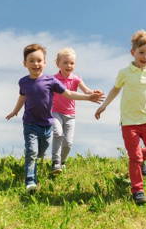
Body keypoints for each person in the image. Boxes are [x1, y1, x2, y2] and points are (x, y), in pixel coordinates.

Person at [6, 44, 104, 193]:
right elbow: (22, 97)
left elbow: (69, 94)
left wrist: (88, 97)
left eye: (39, 60)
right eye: (31, 61)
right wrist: (15, 111)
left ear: (45, 63)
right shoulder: (23, 82)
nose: (36, 64)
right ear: (25, 63)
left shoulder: (51, 81)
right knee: (31, 152)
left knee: (41, 151)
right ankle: (30, 181)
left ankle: (41, 158)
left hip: (46, 124)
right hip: (30, 123)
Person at [95, 30, 146, 205]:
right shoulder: (125, 72)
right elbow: (115, 89)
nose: (145, 57)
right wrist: (104, 105)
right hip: (129, 123)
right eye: (142, 53)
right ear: (133, 53)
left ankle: (139, 158)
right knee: (134, 157)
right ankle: (137, 190)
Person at [51, 47, 102, 174]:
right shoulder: (53, 79)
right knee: (58, 133)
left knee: (68, 142)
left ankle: (62, 162)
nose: (69, 65)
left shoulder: (76, 79)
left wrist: (94, 92)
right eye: (65, 62)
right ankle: (55, 162)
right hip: (54, 112)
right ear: (58, 64)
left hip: (70, 115)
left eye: (72, 63)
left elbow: (87, 91)